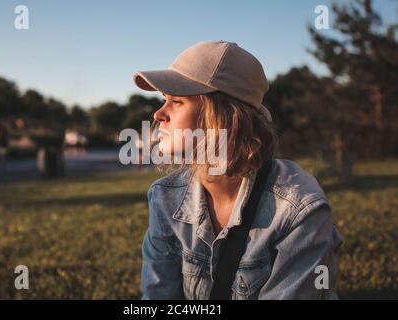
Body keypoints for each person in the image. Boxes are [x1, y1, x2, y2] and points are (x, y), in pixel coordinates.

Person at [133, 41, 343, 300]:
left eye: (176, 101)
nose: (158, 114)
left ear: (222, 116)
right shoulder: (164, 198)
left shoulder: (298, 209)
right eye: (163, 100)